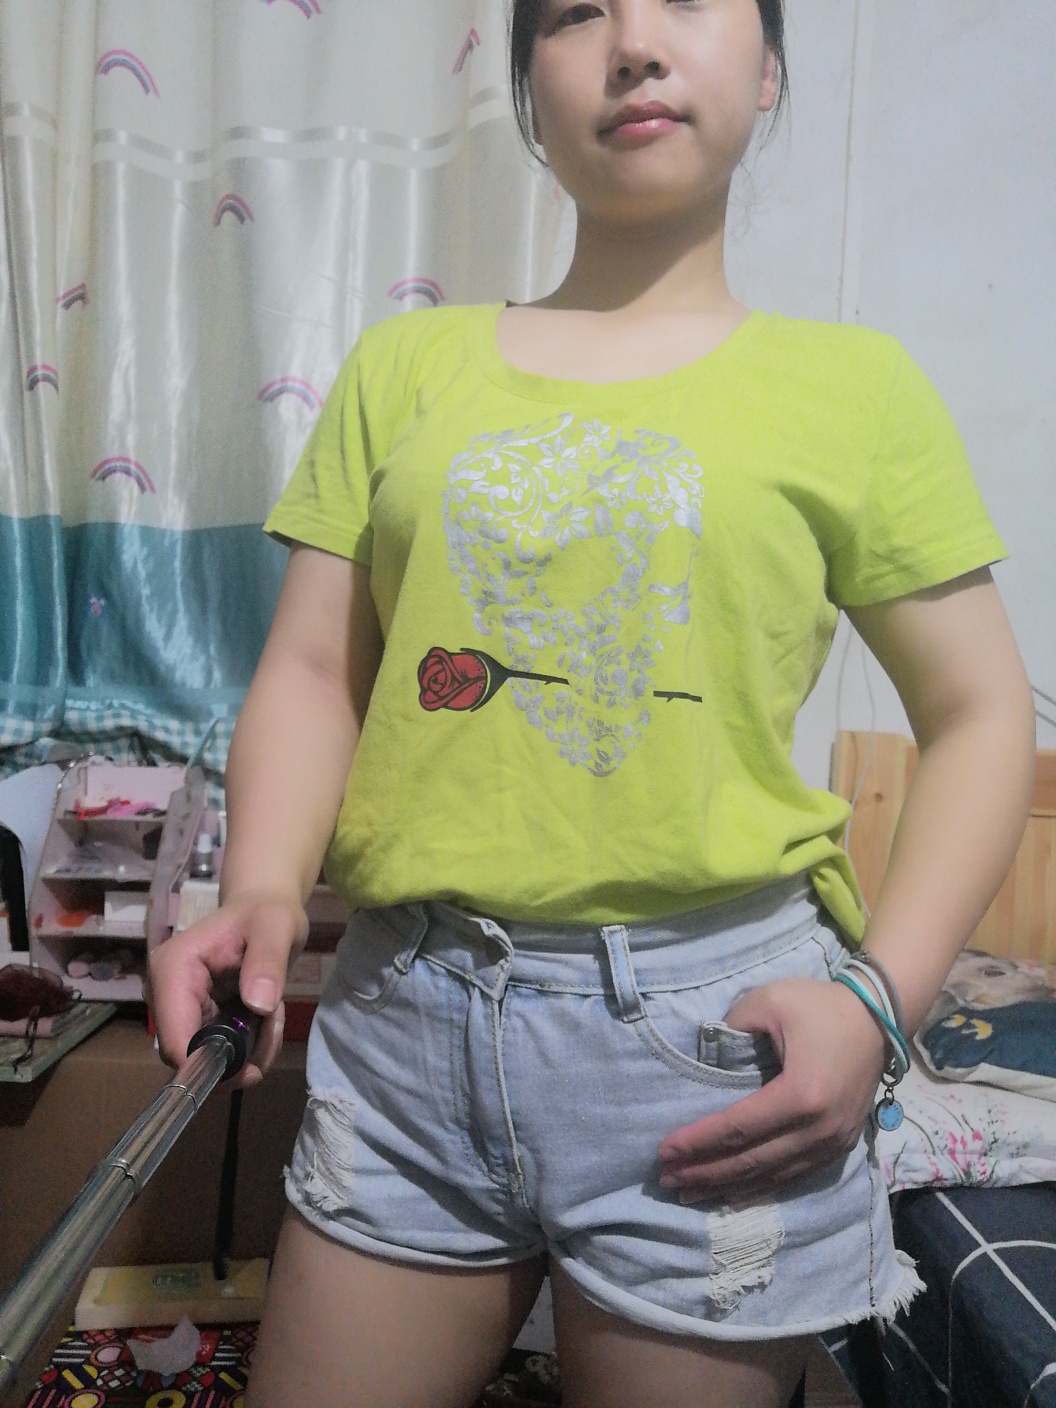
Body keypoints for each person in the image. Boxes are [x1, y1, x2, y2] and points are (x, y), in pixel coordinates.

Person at [148, 1, 1036, 1404]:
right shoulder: (404, 368)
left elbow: (984, 715)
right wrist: (258, 883)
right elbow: (316, 671)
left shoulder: (858, 391)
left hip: (718, 1053)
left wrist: (879, 1002)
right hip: (406, 1029)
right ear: (528, 89)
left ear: (770, 68)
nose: (631, 42)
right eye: (574, 13)